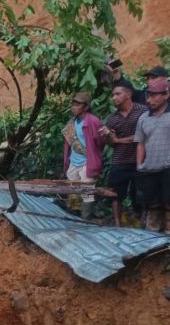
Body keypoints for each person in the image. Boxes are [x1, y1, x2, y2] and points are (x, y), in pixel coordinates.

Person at [100, 81, 149, 227]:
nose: (114, 97)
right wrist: (108, 135)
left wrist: (119, 139)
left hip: (140, 159)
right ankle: (117, 222)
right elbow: (111, 143)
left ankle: (142, 221)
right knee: (116, 193)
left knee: (141, 192)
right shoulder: (112, 118)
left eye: (117, 94)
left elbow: (143, 135)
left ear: (128, 94)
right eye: (113, 95)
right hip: (120, 160)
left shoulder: (143, 111)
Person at [134, 77, 170, 232]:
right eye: (148, 95)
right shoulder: (143, 118)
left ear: (166, 95)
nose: (150, 99)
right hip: (150, 169)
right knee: (152, 206)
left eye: (155, 95)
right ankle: (153, 243)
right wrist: (139, 165)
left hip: (168, 168)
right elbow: (140, 143)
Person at [62, 92, 104, 218]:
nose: (73, 107)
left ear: (85, 107)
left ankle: (86, 218)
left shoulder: (93, 121)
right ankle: (75, 217)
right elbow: (68, 144)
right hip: (74, 162)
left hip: (88, 162)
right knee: (73, 191)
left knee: (87, 193)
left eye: (77, 104)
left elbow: (100, 142)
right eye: (73, 104)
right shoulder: (72, 122)